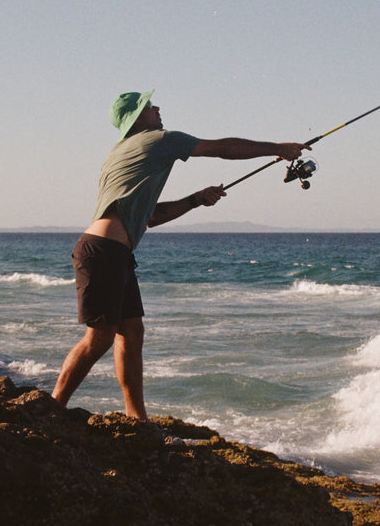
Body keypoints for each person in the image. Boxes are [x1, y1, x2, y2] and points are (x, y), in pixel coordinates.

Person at [51, 90, 309, 421]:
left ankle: (137, 418)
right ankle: (52, 408)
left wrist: (195, 200)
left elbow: (148, 218)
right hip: (104, 252)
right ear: (135, 119)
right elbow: (221, 148)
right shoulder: (159, 139)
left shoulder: (122, 152)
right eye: (148, 106)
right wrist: (278, 149)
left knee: (131, 333)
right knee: (99, 337)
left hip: (112, 251)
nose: (157, 108)